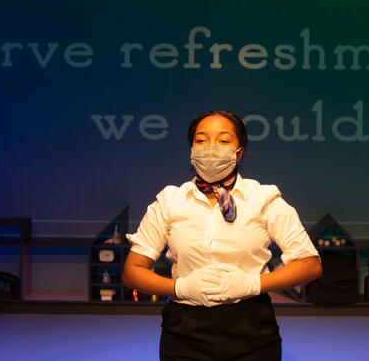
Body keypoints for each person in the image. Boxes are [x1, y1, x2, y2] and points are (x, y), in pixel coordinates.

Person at [123, 110, 322, 360]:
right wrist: (180, 287)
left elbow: (310, 264)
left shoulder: (263, 199)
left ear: (239, 150)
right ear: (191, 148)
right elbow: (133, 271)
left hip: (251, 328)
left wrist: (253, 284)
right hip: (183, 330)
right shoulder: (169, 201)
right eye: (201, 140)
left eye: (223, 140)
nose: (211, 147)